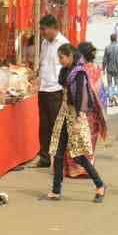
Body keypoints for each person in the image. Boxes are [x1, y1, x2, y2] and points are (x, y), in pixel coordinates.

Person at [43, 44, 108, 202]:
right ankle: (56, 190)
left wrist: (79, 117)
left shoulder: (79, 73)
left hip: (76, 115)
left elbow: (81, 95)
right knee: (58, 154)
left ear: (71, 56)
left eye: (62, 57)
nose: (60, 61)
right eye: (59, 57)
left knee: (78, 154)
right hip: (64, 114)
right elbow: (61, 83)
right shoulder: (67, 71)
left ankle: (100, 185)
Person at [36, 15, 69, 168]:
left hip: (56, 90)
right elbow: (42, 63)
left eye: (44, 29)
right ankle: (45, 157)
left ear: (54, 28)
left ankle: (59, 158)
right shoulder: (44, 43)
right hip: (43, 88)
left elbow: (68, 68)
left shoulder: (64, 44)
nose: (42, 32)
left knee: (57, 126)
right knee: (44, 125)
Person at [102, 34, 118, 107]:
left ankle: (111, 99)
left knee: (110, 84)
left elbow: (104, 59)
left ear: (110, 39)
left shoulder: (107, 48)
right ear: (116, 39)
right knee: (116, 84)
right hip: (117, 69)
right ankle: (115, 97)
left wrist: (103, 68)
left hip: (109, 69)